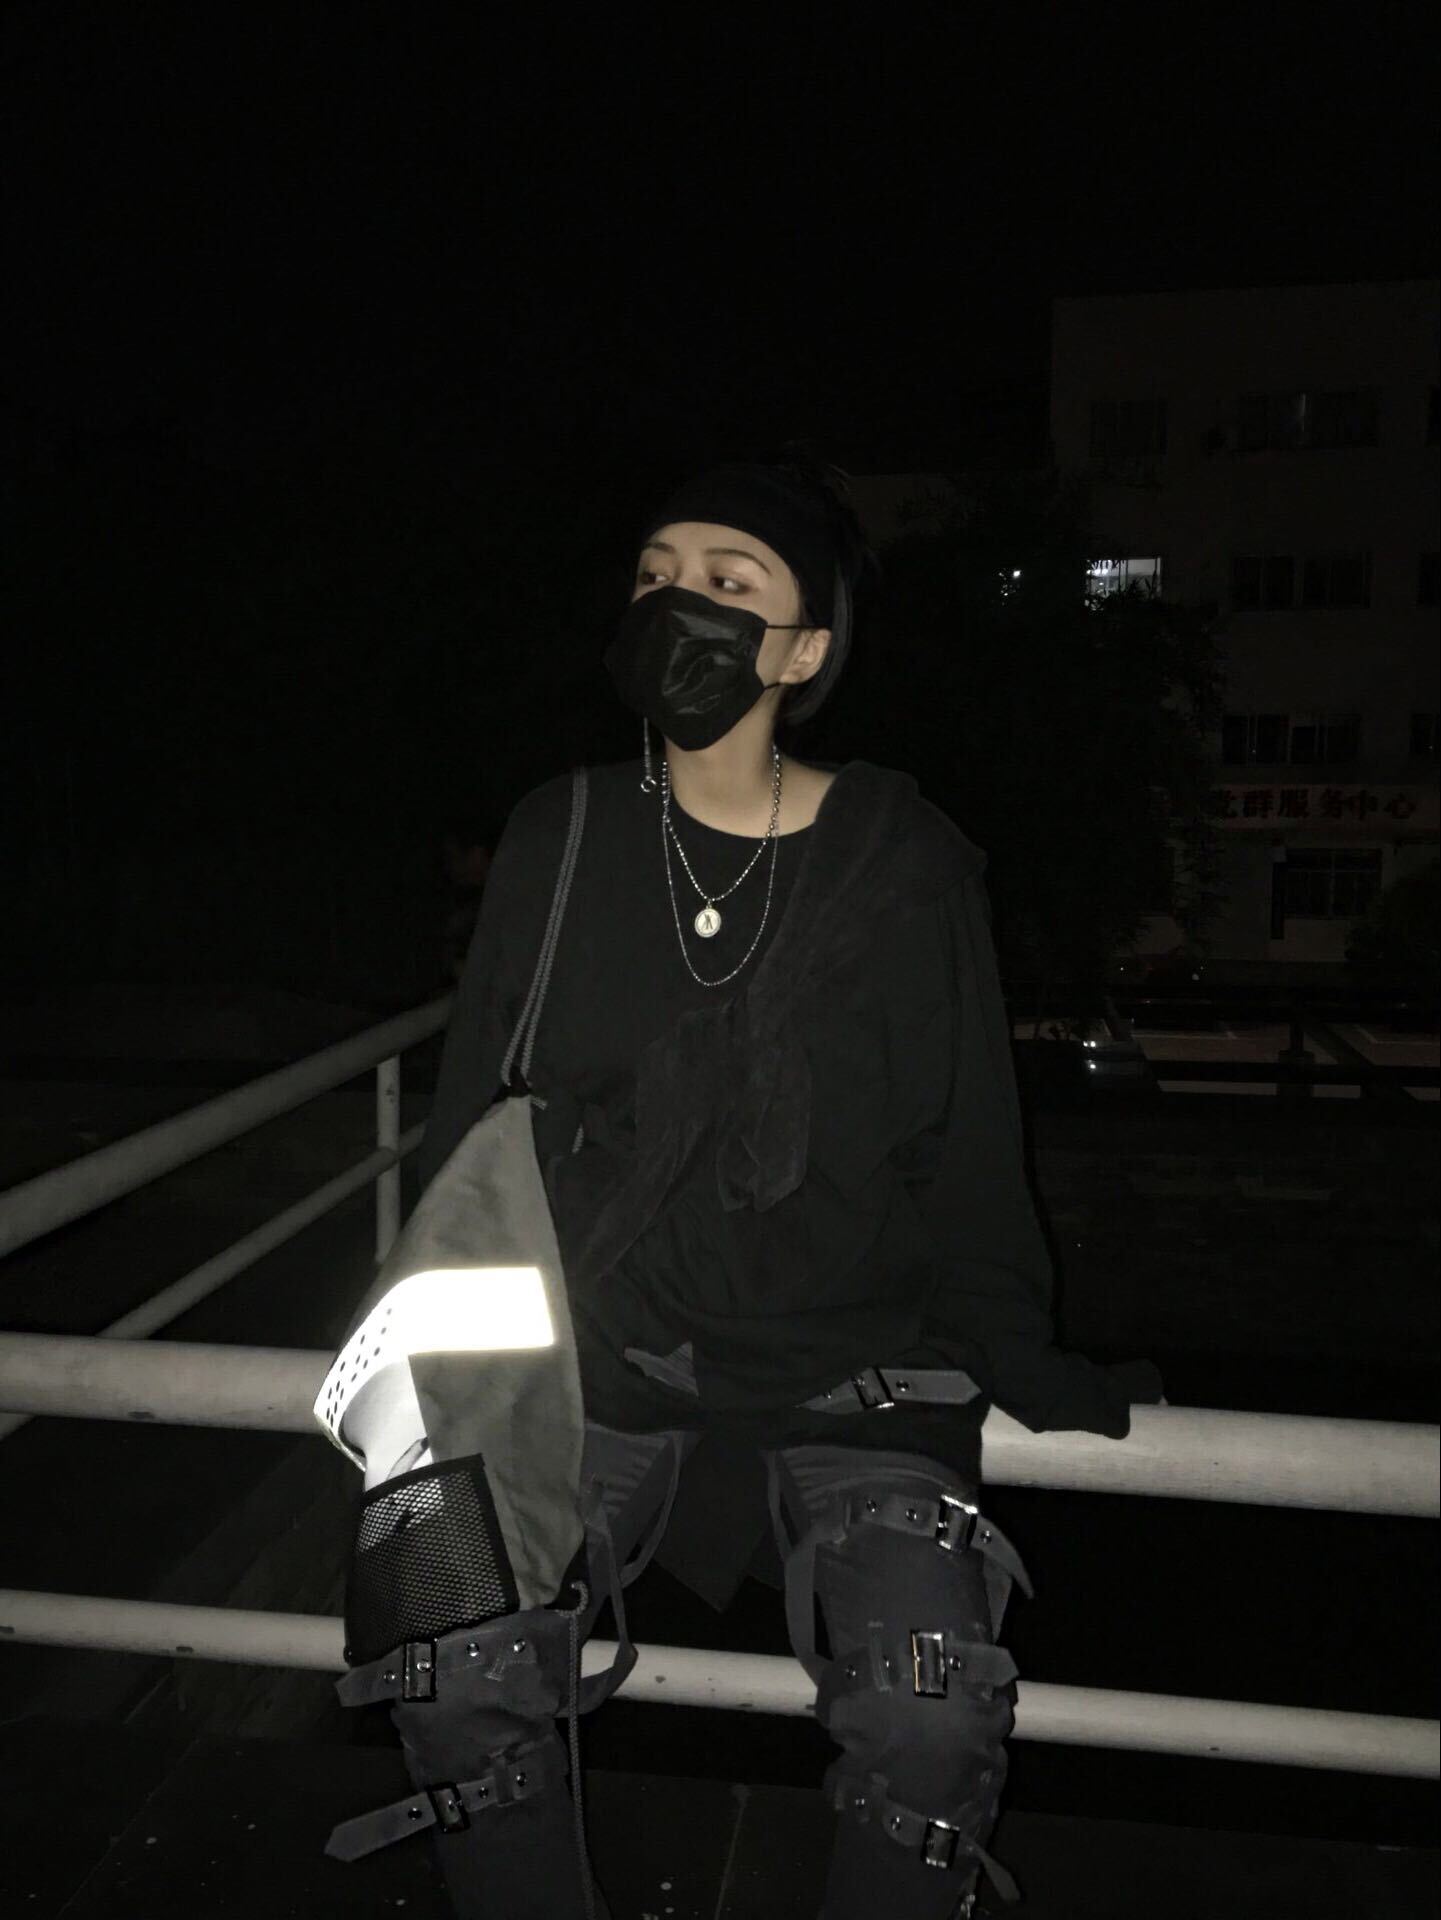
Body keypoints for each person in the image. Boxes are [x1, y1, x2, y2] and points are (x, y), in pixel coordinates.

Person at [408, 444, 1165, 1918]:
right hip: (598, 1366)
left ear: (804, 648)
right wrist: (433, 1370)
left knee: (931, 1720)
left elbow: (965, 1141)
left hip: (855, 1377)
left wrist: (1015, 1350)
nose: (675, 601)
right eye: (655, 575)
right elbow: (470, 1126)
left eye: (727, 578)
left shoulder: (905, 858)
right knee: (449, 1664)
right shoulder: (561, 833)